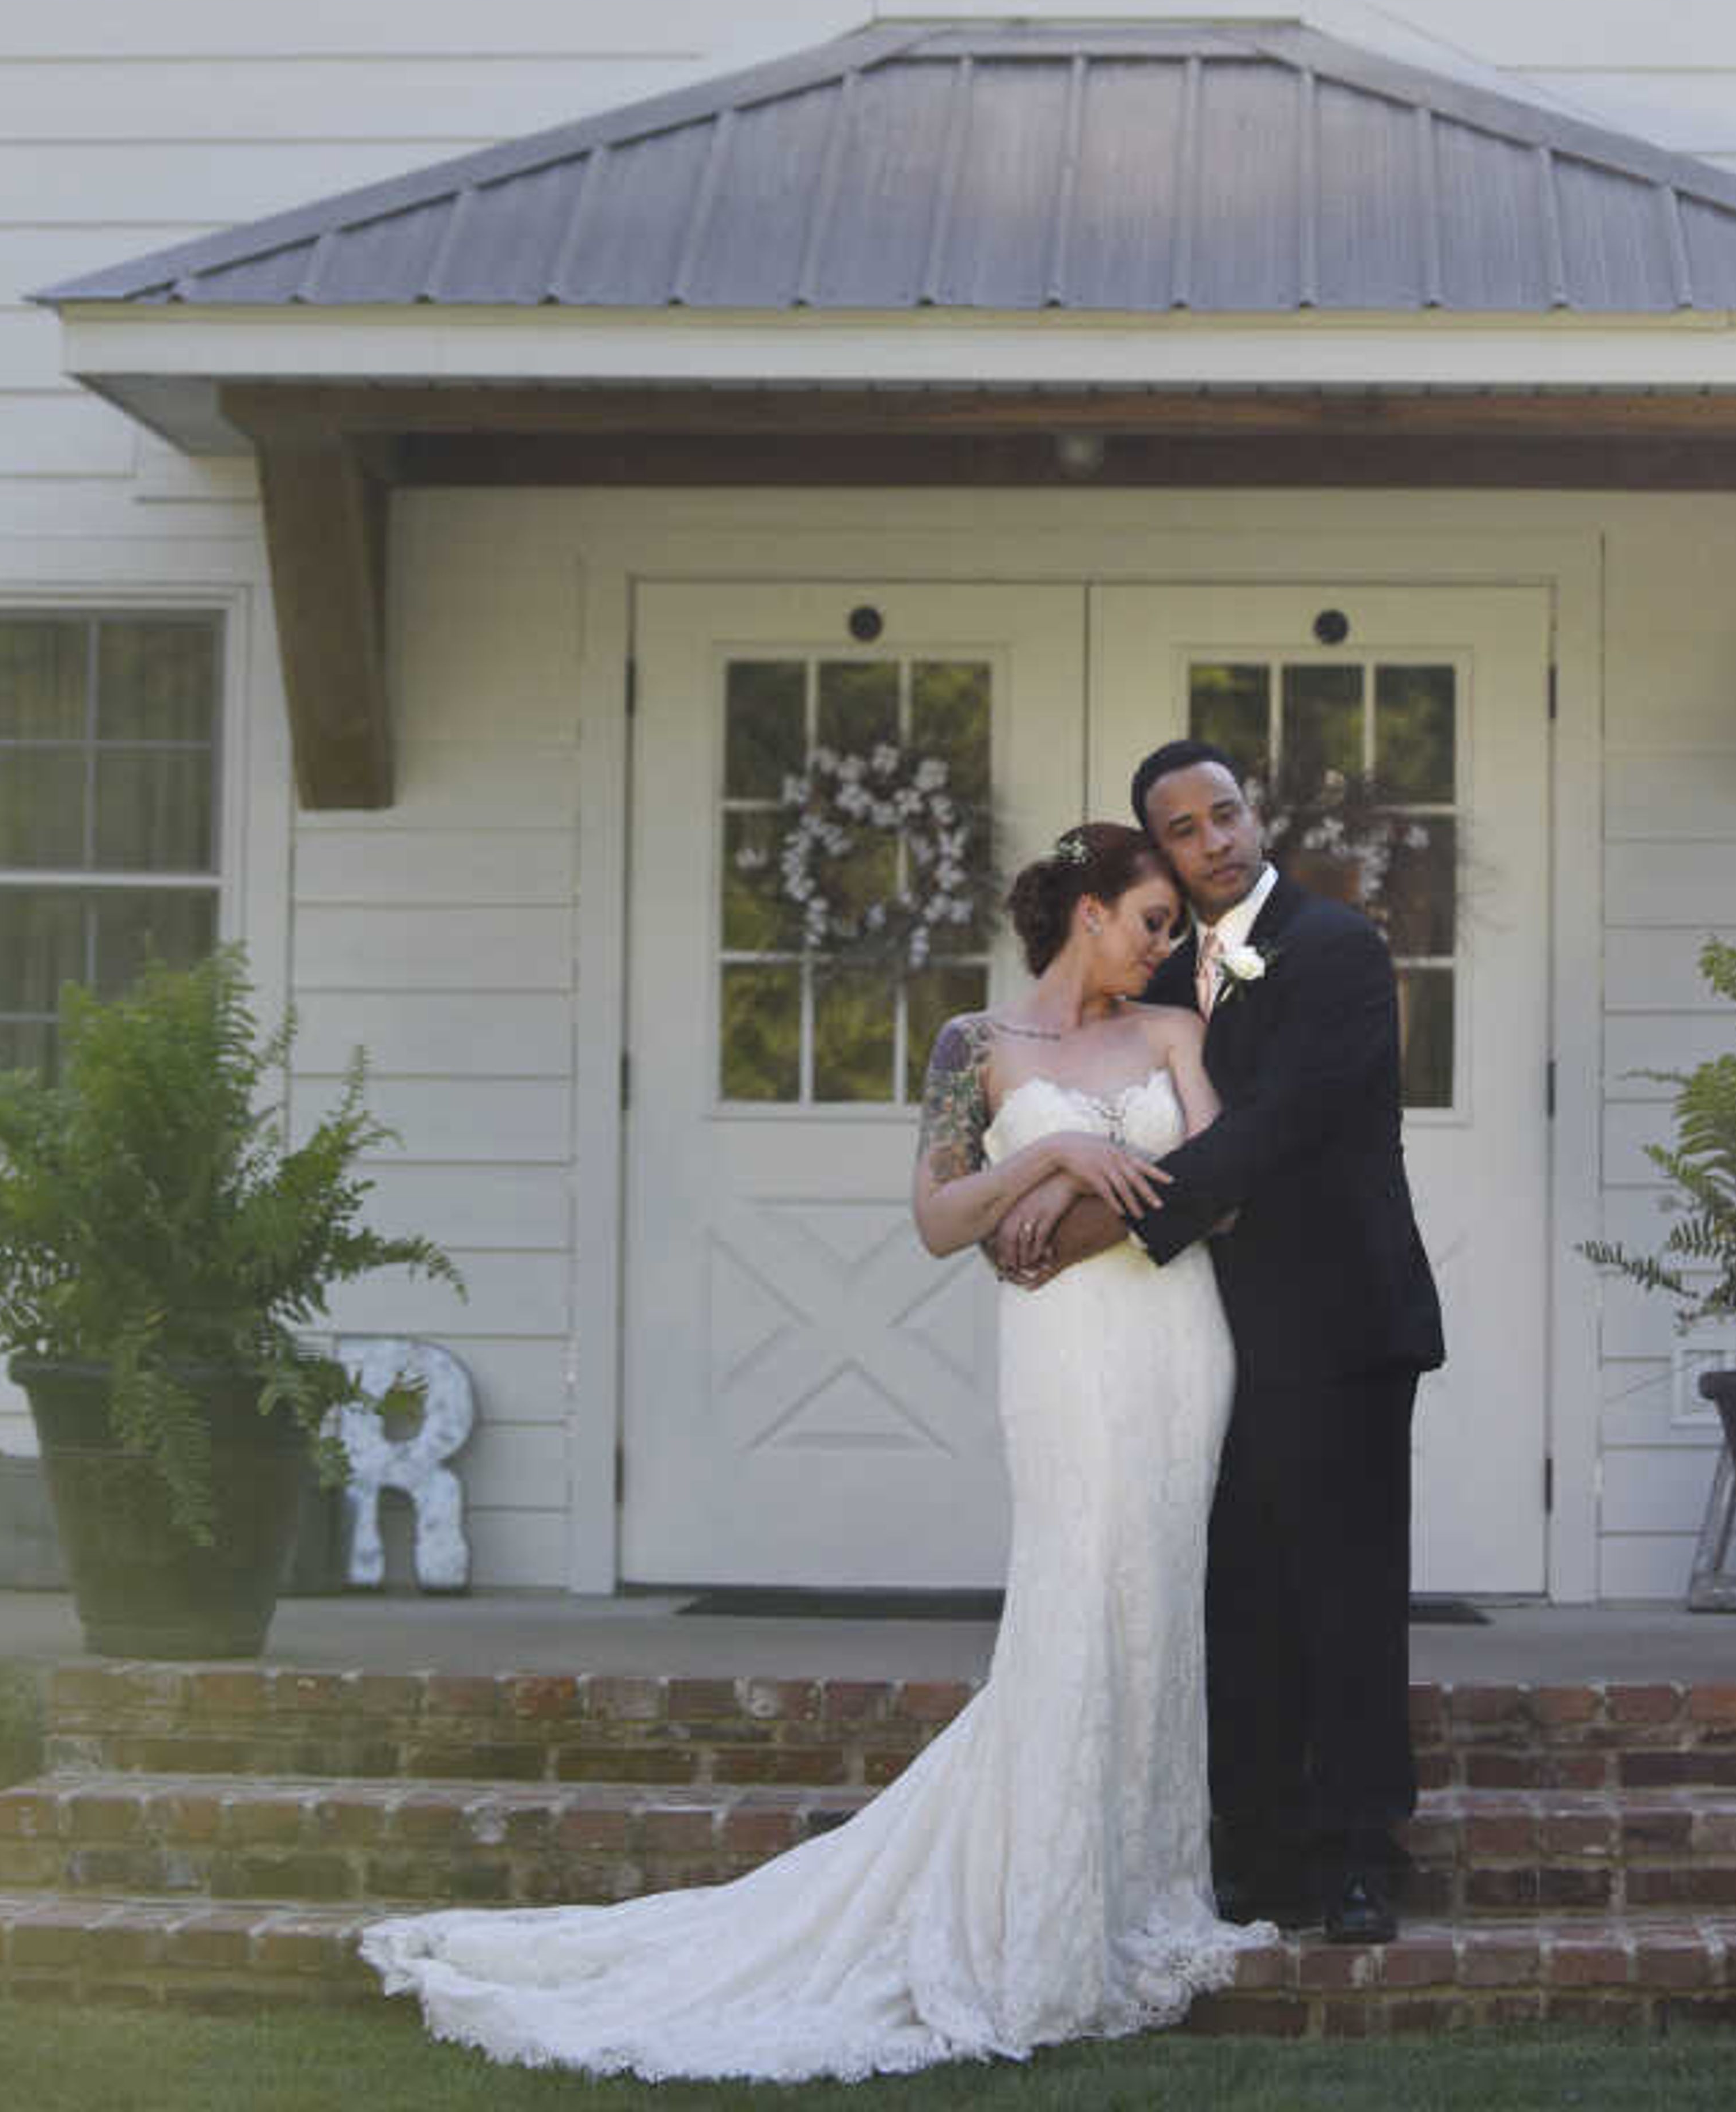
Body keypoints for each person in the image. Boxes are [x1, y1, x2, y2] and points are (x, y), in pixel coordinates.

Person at [362, 820, 1268, 2080]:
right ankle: (1039, 1913)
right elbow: (942, 1220)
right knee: (1075, 1594)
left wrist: (1082, 1197)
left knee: (1155, 1607)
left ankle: (1135, 1896)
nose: (1168, 944)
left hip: (1178, 1340)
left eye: (1174, 927)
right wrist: (1056, 1153)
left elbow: (1221, 1179)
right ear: (1089, 915)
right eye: (1154, 919)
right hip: (1067, 1354)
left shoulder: (1176, 1035)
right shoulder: (976, 1048)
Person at [992, 740, 1442, 1946]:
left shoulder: (1338, 946)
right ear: (1164, 852)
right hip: (1215, 1332)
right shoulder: (1166, 967)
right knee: (1240, 1593)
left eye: (1226, 814)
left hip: (1341, 1317)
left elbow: (1276, 1133)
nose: (1214, 843)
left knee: (1343, 1589)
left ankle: (1358, 1851)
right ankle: (1258, 1846)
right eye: (1184, 831)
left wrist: (1081, 1227)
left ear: (1256, 815)